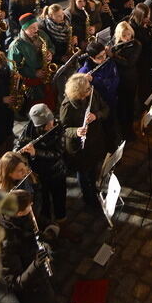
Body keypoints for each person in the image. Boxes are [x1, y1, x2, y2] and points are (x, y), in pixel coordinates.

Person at [0, 190, 60, 303]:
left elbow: (50, 224)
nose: (31, 207)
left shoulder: (27, 215)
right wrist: (35, 265)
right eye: (29, 206)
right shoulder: (6, 244)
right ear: (19, 213)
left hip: (42, 279)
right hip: (33, 292)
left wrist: (48, 234)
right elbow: (14, 284)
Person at [59, 73, 109, 209]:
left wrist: (96, 115)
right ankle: (88, 198)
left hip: (95, 140)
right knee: (83, 172)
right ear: (79, 93)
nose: (91, 89)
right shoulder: (67, 107)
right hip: (79, 147)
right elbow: (63, 129)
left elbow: (106, 109)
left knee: (93, 168)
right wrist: (76, 131)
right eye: (87, 89)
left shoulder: (93, 94)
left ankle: (94, 189)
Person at [8, 13, 56, 111]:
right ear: (24, 29)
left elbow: (51, 45)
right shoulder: (16, 45)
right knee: (38, 102)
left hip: (45, 72)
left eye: (36, 26)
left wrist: (50, 52)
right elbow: (14, 69)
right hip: (30, 81)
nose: (36, 30)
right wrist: (34, 73)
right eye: (32, 28)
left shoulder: (41, 34)